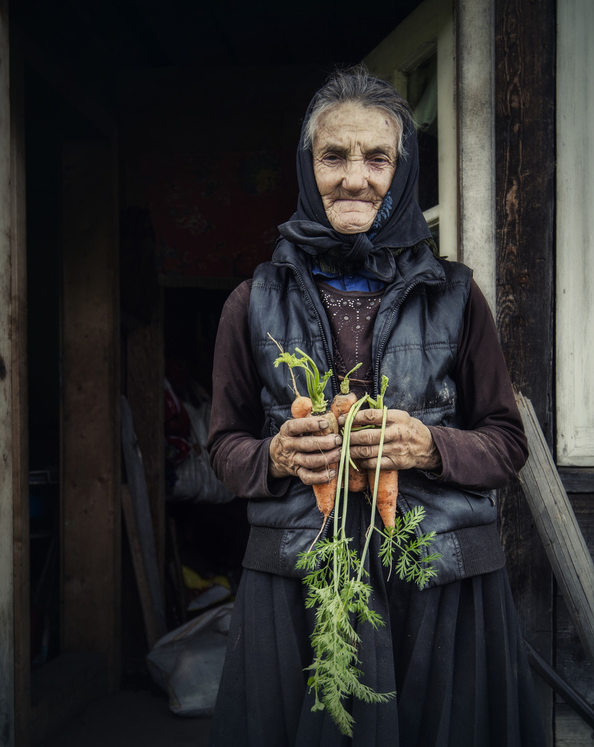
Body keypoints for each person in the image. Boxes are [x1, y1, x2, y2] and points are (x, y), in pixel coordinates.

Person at [207, 66, 544, 746]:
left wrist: (431, 446)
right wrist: (275, 456)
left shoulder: (455, 295)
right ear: (308, 167)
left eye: (377, 158)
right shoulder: (252, 301)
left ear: (403, 169)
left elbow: (508, 442)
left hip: (439, 579)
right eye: (334, 156)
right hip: (303, 578)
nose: (355, 178)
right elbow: (223, 447)